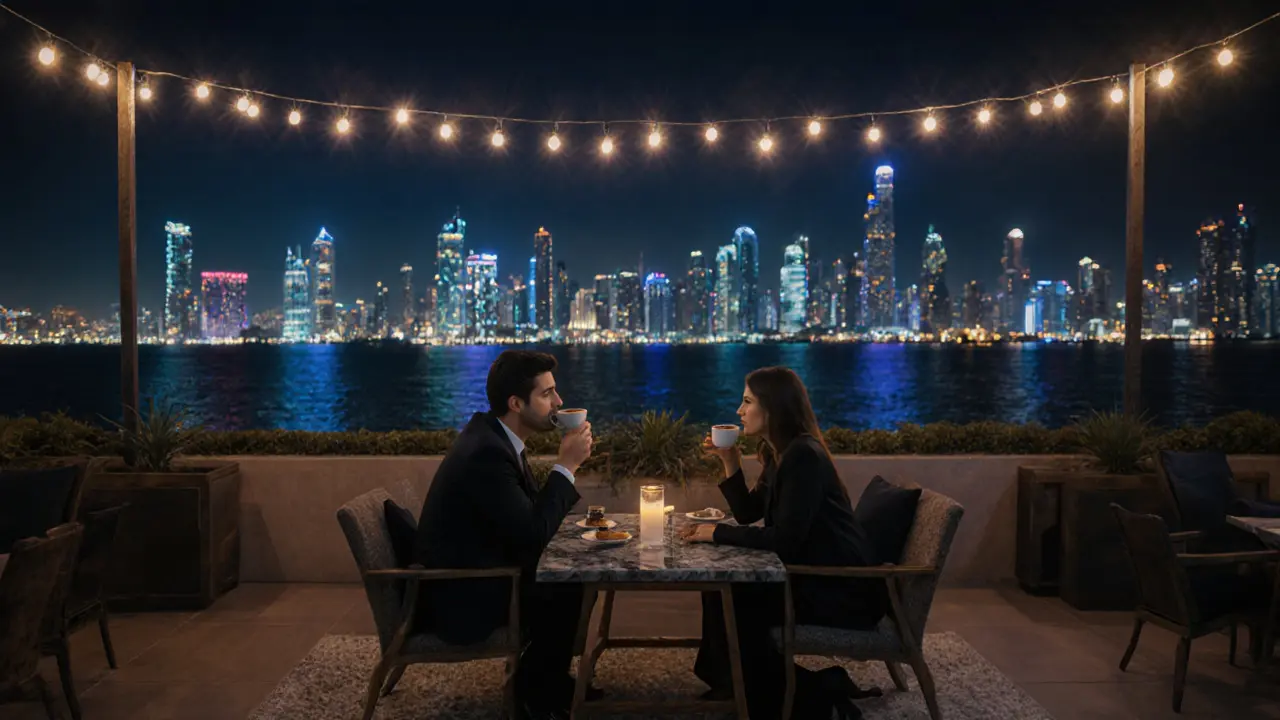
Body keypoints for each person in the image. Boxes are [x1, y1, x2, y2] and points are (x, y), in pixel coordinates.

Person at [684, 366, 884, 718]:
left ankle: (805, 692)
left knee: (734, 598)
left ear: (773, 407)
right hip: (817, 576)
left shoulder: (802, 457)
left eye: (747, 402)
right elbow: (748, 513)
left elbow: (785, 541)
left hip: (841, 590)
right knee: (722, 589)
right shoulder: (780, 453)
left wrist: (716, 532)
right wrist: (730, 460)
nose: (738, 411)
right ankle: (734, 681)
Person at [414, 350, 595, 719]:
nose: (559, 403)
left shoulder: (495, 438)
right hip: (464, 594)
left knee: (569, 578)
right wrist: (567, 465)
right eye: (547, 394)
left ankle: (545, 680)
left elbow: (524, 519)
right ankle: (535, 692)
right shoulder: (487, 454)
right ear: (516, 402)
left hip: (484, 568)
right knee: (567, 583)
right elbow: (530, 534)